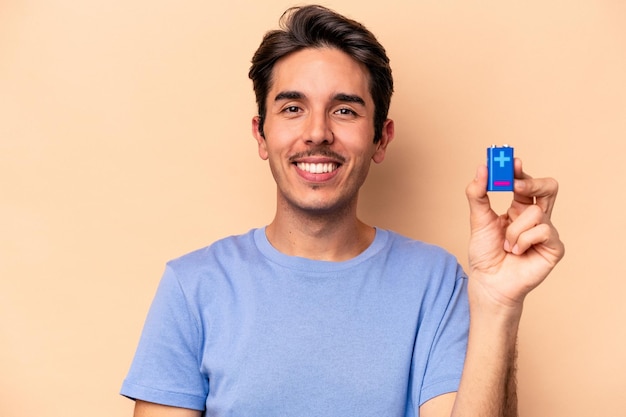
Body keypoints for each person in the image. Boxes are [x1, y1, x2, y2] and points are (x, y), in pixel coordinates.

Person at [120, 5, 564, 417]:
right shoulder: (193, 286)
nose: (317, 133)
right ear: (261, 135)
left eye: (345, 110)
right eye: (292, 108)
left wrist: (497, 304)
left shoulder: (437, 283)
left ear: (381, 139)